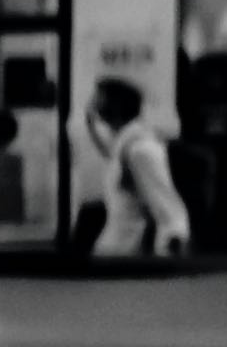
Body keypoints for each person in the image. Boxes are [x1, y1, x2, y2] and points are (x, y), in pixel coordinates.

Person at [72, 73, 191, 261]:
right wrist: (91, 125)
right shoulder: (124, 143)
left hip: (129, 254)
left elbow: (168, 209)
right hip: (113, 248)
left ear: (115, 105)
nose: (93, 104)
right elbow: (111, 152)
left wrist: (168, 255)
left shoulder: (140, 149)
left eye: (98, 99)